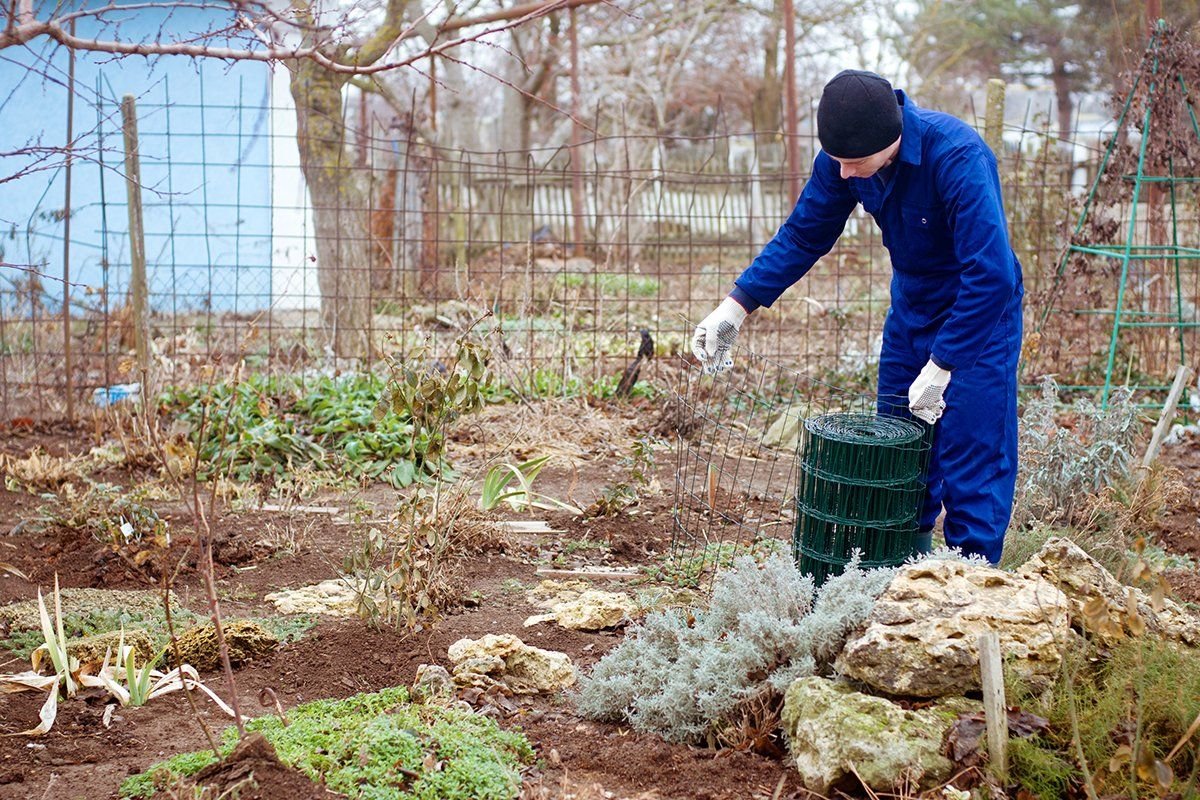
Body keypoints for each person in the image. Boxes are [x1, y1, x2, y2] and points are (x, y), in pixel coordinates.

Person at [691, 69, 1023, 565]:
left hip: (978, 320)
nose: (844, 174)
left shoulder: (957, 156)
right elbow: (805, 234)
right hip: (911, 314)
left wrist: (945, 362)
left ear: (891, 141)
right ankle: (895, 584)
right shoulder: (844, 160)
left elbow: (992, 273)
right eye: (837, 162)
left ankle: (967, 596)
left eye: (854, 163)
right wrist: (735, 306)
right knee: (896, 458)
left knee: (971, 461)